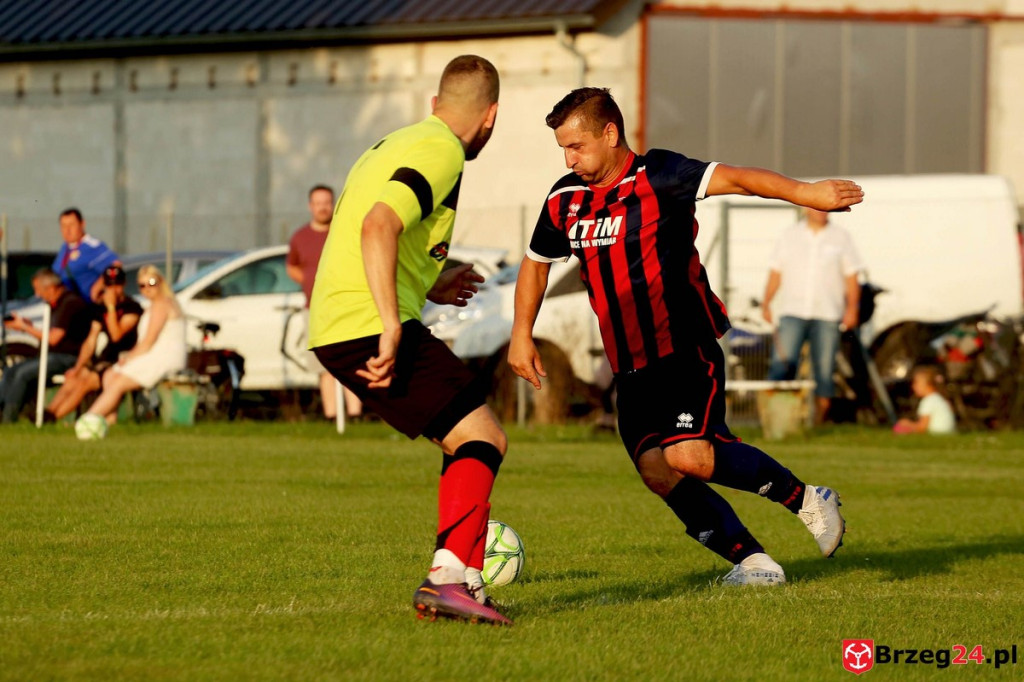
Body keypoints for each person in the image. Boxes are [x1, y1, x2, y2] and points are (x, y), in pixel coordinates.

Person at [509, 87, 863, 586]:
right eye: (564, 149)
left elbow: (739, 178)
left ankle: (806, 499)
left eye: (577, 147)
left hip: (684, 347)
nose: (570, 159)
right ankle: (753, 562)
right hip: (629, 366)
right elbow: (536, 263)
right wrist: (520, 334)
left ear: (610, 133)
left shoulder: (660, 175)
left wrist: (806, 193)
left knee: (687, 455)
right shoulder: (564, 198)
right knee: (659, 472)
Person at [308, 55, 510, 625]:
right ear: (491, 116)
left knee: (466, 438)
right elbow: (378, 224)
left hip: (340, 322)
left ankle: (464, 581)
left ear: (435, 103)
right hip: (366, 323)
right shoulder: (443, 150)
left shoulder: (397, 142)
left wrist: (428, 282)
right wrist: (391, 322)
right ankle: (448, 579)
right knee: (484, 437)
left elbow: (374, 233)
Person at [762, 208, 863, 424]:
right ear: (806, 208)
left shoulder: (841, 237)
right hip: (792, 311)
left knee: (824, 372)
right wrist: (766, 302)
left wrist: (852, 309)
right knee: (782, 366)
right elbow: (776, 271)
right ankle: (778, 422)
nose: (822, 211)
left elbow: (852, 276)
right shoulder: (789, 235)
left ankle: (818, 424)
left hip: (828, 313)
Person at [286, 184, 363, 421]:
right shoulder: (300, 237)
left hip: (345, 308)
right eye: (318, 203)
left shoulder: (344, 232)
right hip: (315, 310)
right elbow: (292, 267)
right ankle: (331, 414)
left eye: (327, 203)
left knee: (351, 360)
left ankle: (355, 413)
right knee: (323, 363)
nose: (323, 208)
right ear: (311, 206)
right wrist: (310, 281)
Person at [77, 265, 185, 426]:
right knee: (110, 374)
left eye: (151, 283)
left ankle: (88, 419)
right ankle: (109, 419)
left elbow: (148, 342)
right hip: (153, 355)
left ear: (160, 282)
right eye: (142, 285)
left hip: (164, 358)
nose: (147, 289)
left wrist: (129, 356)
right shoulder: (154, 305)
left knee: (119, 382)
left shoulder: (162, 305)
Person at [44, 264, 143, 422]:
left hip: (123, 360)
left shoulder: (132, 308)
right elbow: (91, 340)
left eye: (117, 285)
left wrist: (111, 307)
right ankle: (47, 413)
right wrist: (77, 367)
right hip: (103, 359)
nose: (113, 290)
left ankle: (54, 418)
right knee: (74, 378)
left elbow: (116, 335)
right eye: (109, 286)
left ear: (123, 285)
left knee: (86, 381)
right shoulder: (99, 309)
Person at [1, 269, 93, 423]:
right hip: (51, 356)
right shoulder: (56, 304)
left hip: (67, 358)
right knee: (11, 371)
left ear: (51, 288)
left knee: (22, 374)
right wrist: (28, 326)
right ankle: (2, 411)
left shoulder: (69, 303)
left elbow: (53, 339)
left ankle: (8, 420)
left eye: (38, 290)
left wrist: (24, 327)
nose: (37, 295)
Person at [51, 208, 121, 303]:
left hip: (86, 304)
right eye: (63, 226)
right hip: (65, 303)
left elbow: (116, 265)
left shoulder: (92, 245)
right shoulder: (65, 247)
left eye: (71, 225)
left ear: (82, 224)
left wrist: (97, 288)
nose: (67, 230)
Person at [894, 365, 956, 434]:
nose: (913, 386)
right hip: (947, 433)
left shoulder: (928, 401)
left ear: (928, 384)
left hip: (937, 434)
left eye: (916, 383)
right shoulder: (939, 398)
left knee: (901, 426)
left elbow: (922, 428)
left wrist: (907, 424)